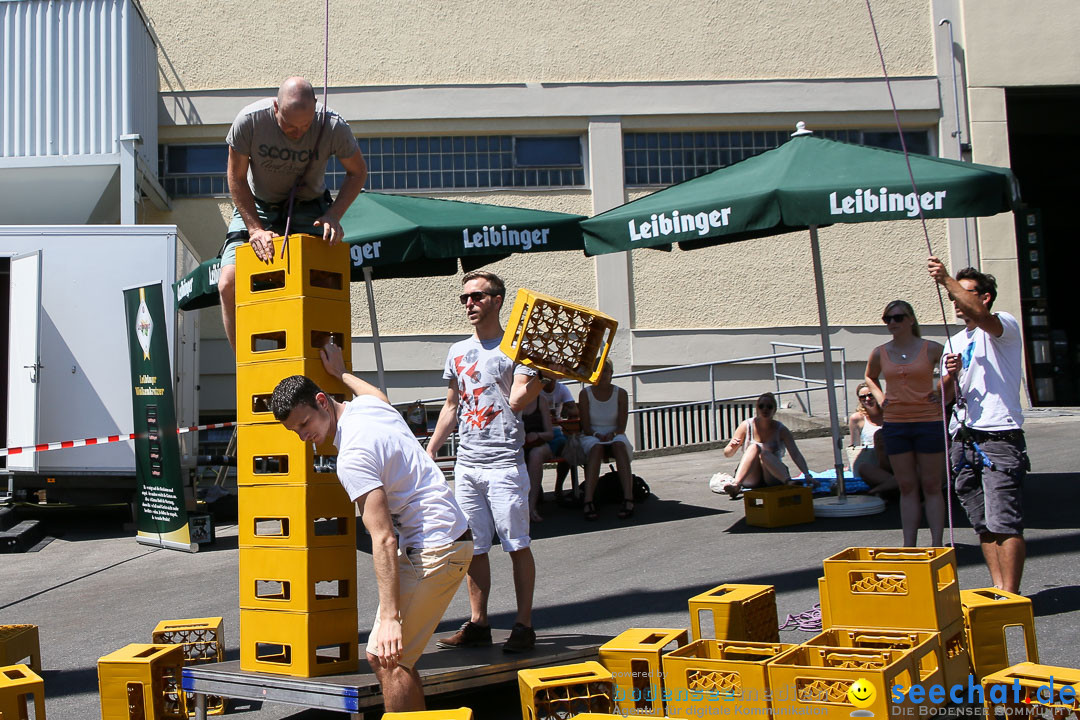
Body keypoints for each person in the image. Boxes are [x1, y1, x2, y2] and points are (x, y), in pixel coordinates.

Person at [269, 342, 470, 712]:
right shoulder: (368, 408)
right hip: (448, 536)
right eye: (294, 431)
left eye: (304, 423)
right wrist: (342, 373)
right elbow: (374, 392)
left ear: (321, 402)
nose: (303, 436)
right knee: (392, 658)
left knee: (386, 656)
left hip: (436, 546)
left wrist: (391, 617)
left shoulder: (352, 457)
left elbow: (382, 538)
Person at [426, 270, 543, 653]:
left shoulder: (517, 348)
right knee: (473, 547)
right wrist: (430, 451)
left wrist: (543, 376)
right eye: (464, 298)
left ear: (497, 299)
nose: (469, 304)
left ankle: (524, 625)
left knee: (516, 544)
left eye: (476, 296)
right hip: (468, 464)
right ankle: (479, 623)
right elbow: (451, 405)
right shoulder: (457, 352)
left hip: (505, 464)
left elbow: (519, 401)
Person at [218, 76, 368, 351]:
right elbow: (236, 177)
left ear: (315, 108)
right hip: (258, 207)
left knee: (322, 283)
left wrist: (334, 215)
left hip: (311, 208)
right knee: (228, 281)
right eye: (289, 125)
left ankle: (320, 357)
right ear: (276, 107)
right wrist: (254, 229)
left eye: (306, 126)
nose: (297, 133)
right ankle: (245, 360)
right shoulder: (249, 121)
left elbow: (358, 172)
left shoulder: (333, 125)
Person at [929, 257, 1027, 593]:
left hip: (998, 434)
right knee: (983, 522)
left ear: (984, 297)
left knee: (1004, 520)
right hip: (964, 437)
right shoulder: (954, 342)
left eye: (965, 293)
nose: (956, 301)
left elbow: (984, 318)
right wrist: (950, 376)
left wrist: (945, 279)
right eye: (954, 295)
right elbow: (941, 396)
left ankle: (1011, 595)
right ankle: (998, 589)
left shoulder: (1004, 326)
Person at [864, 300, 947, 547]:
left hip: (929, 421)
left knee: (932, 485)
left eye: (898, 318)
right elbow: (870, 376)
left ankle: (936, 544)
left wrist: (941, 391)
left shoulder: (931, 348)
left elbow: (952, 371)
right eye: (887, 319)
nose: (892, 323)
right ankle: (909, 545)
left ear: (911, 319)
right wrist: (880, 398)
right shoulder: (881, 352)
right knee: (907, 485)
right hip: (896, 423)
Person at [720, 392, 811, 498]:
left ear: (774, 410)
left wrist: (807, 474)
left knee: (764, 454)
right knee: (754, 447)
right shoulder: (747, 425)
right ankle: (736, 485)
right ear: (757, 408)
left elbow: (795, 454)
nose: (765, 409)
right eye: (761, 406)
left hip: (773, 475)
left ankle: (788, 482)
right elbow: (727, 454)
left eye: (769, 407)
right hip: (751, 476)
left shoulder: (781, 429)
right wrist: (732, 447)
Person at [579, 360, 636, 521]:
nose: (603, 375)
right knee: (596, 448)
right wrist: (598, 435)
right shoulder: (585, 394)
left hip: (614, 434)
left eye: (606, 371)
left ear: (612, 373)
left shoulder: (621, 393)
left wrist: (612, 434)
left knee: (619, 445)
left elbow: (621, 426)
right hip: (592, 435)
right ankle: (589, 500)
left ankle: (628, 498)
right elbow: (586, 426)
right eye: (599, 370)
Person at [847, 381, 897, 496]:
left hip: (894, 457)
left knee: (880, 436)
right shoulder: (857, 418)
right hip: (874, 461)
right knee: (863, 467)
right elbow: (854, 446)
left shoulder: (889, 413)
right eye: (863, 397)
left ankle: (881, 489)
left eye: (871, 395)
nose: (867, 399)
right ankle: (895, 485)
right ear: (859, 399)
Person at [539, 376, 581, 505]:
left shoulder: (561, 389)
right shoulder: (536, 390)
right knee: (533, 452)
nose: (549, 380)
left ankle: (558, 487)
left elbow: (574, 410)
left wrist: (565, 411)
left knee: (568, 448)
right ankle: (537, 489)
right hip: (539, 430)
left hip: (557, 430)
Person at [522, 394, 555, 522]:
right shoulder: (510, 399)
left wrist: (537, 435)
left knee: (535, 455)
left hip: (539, 443)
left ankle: (531, 507)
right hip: (520, 444)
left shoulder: (540, 400)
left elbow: (550, 434)